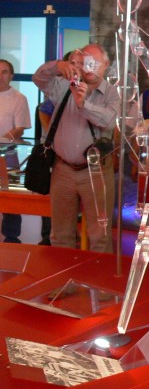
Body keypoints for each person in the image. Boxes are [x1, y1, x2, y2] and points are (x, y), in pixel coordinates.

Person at [32, 44, 120, 253]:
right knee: (60, 235)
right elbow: (39, 79)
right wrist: (57, 65)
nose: (88, 67)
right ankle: (64, 275)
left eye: (93, 62)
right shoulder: (65, 86)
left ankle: (97, 275)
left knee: (99, 236)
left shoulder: (112, 93)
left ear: (105, 65)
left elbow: (109, 121)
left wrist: (83, 105)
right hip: (62, 169)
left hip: (97, 171)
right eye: (83, 62)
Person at [0, 58, 31, 243]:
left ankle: (11, 238)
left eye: (4, 72)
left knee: (10, 198)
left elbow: (20, 128)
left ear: (11, 75)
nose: (0, 76)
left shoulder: (19, 98)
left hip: (9, 153)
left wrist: (2, 141)